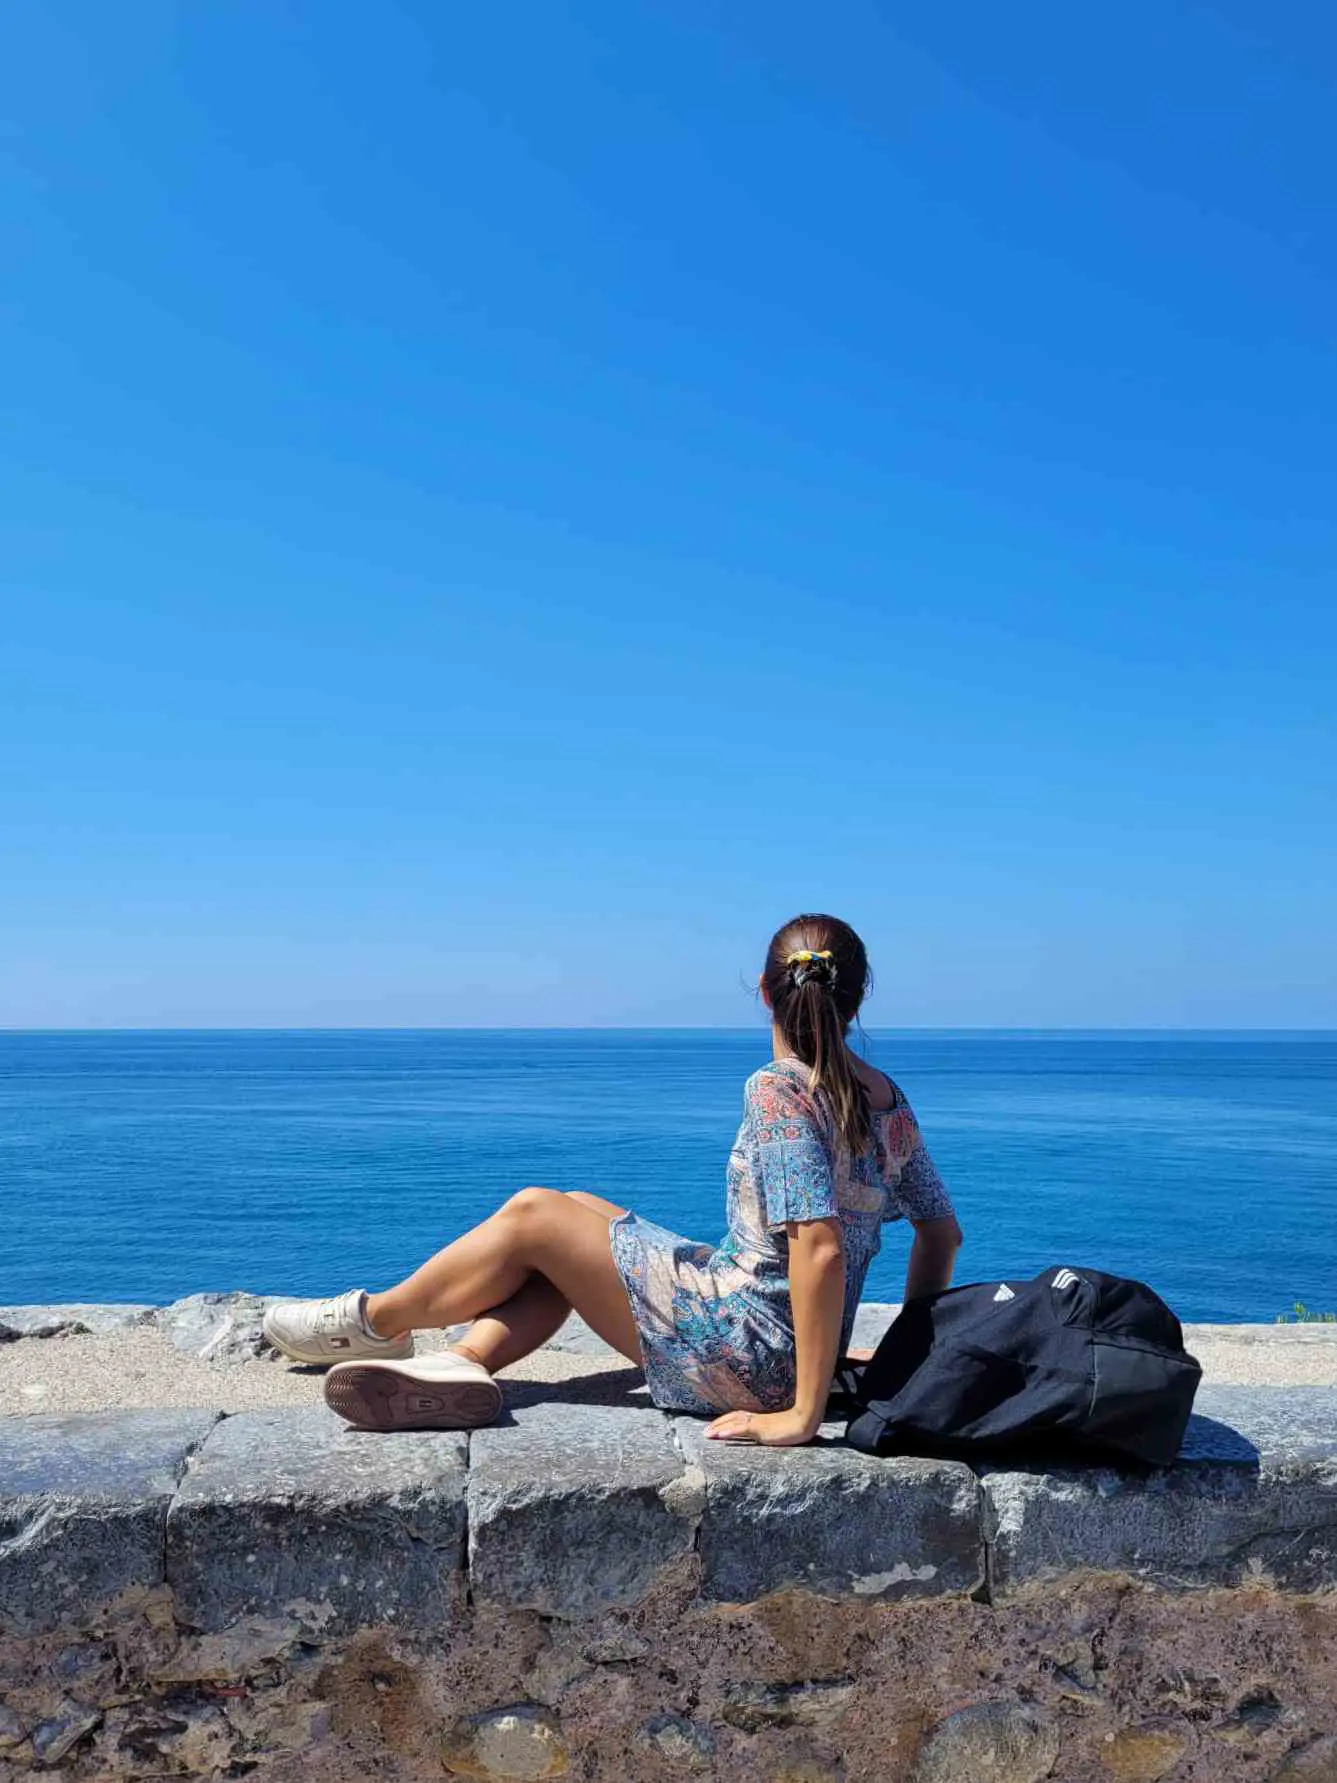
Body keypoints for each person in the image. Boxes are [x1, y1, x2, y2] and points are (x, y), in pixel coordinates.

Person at [262, 913, 964, 1445]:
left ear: (763, 990)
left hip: (747, 1354)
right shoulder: (887, 1100)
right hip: (784, 1343)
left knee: (536, 1213)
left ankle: (374, 1322)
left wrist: (802, 1414)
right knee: (576, 1214)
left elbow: (820, 1247)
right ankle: (463, 1361)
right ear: (857, 998)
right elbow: (941, 1234)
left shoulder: (780, 1089)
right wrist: (904, 1357)